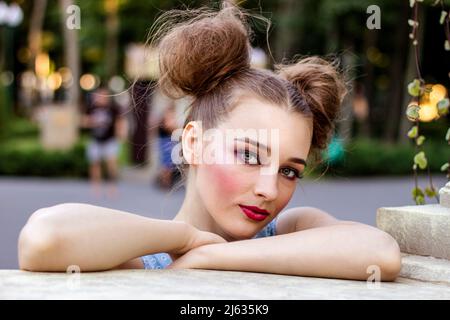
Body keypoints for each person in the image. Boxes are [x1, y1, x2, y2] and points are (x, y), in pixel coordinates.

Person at [17, 2, 401, 281]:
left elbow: (379, 253)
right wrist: (184, 238)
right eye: (250, 155)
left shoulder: (290, 229)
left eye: (288, 170)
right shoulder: (143, 255)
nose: (270, 190)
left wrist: (210, 257)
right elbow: (43, 238)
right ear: (194, 142)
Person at [81, 87, 127, 198]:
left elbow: (119, 121)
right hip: (95, 139)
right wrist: (93, 122)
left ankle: (112, 187)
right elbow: (84, 121)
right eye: (99, 95)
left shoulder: (113, 108)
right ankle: (96, 188)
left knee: (111, 164)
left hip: (110, 140)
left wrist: (121, 134)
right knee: (94, 164)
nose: (101, 98)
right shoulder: (91, 107)